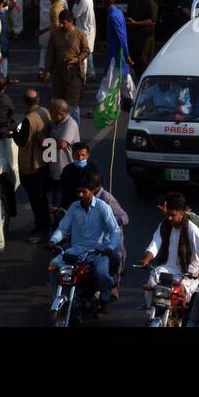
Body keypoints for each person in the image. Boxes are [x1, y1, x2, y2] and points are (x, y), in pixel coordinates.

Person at [49, 171, 121, 316]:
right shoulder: (74, 207)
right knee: (53, 265)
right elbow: (63, 228)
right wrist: (53, 240)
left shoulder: (103, 208)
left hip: (98, 252)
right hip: (76, 251)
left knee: (101, 273)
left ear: (93, 191)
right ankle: (58, 297)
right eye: (78, 191)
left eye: (84, 191)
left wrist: (110, 247)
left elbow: (115, 231)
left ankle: (105, 298)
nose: (80, 195)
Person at [139, 193, 199, 312]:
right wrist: (146, 259)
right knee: (151, 282)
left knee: (183, 299)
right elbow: (155, 243)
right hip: (168, 268)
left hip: (189, 273)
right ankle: (151, 309)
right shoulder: (164, 225)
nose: (169, 218)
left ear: (182, 213)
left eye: (172, 215)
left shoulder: (192, 229)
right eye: (167, 214)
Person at [18, 90, 53, 242]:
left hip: (31, 165)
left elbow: (22, 141)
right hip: (44, 160)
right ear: (38, 100)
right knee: (41, 197)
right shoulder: (45, 112)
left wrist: (14, 132)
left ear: (24, 102)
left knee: (36, 199)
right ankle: (45, 225)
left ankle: (42, 228)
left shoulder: (28, 119)